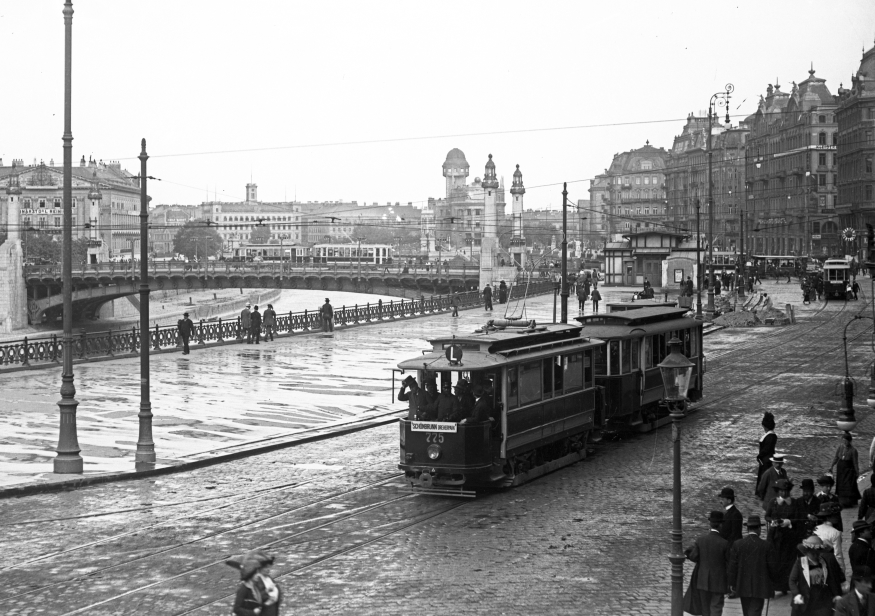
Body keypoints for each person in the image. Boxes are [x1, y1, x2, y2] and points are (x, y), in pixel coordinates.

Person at [728, 515, 778, 616]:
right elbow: (772, 567)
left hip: (743, 585)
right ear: (759, 529)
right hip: (760, 585)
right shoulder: (766, 545)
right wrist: (773, 582)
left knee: (746, 611)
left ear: (747, 529)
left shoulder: (738, 544)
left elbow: (733, 567)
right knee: (756, 610)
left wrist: (732, 584)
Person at [683, 510, 729, 616]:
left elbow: (694, 556)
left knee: (705, 610)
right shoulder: (724, 543)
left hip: (703, 580)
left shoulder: (701, 540)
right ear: (720, 525)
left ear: (710, 524)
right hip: (719, 581)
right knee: (716, 608)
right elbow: (729, 563)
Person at [765, 478, 803, 594]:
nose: (784, 493)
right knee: (775, 561)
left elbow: (798, 518)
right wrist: (772, 521)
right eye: (781, 491)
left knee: (789, 561)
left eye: (786, 491)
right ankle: (775, 585)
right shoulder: (773, 502)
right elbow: (767, 516)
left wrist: (789, 522)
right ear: (778, 491)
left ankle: (786, 586)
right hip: (775, 537)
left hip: (790, 537)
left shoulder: (795, 503)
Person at [788, 534, 844, 614]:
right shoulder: (800, 562)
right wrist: (796, 594)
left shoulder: (824, 562)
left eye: (818, 553)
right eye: (813, 553)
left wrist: (836, 594)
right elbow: (792, 580)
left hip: (822, 598)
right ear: (807, 552)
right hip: (806, 598)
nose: (816, 555)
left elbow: (830, 580)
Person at [227, 551, 283, 616]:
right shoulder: (252, 584)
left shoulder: (269, 579)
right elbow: (254, 603)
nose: (268, 569)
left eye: (269, 566)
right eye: (266, 567)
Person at [814, 501, 846, 575]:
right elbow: (838, 554)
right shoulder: (835, 533)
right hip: (829, 562)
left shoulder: (815, 528)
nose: (837, 517)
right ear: (829, 517)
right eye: (835, 515)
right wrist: (842, 570)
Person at [833, 432, 862, 508]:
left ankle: (848, 502)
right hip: (840, 470)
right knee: (841, 485)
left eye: (846, 441)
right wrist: (832, 466)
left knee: (849, 486)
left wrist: (857, 472)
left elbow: (855, 462)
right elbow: (836, 457)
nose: (844, 442)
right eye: (843, 440)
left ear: (850, 441)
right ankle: (841, 501)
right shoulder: (840, 447)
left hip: (849, 470)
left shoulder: (853, 450)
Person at [718, 487, 744, 552]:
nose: (720, 501)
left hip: (730, 549)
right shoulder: (727, 512)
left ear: (729, 501)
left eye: (723, 499)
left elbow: (736, 535)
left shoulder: (735, 514)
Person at [756, 412, 777, 490]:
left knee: (764, 477)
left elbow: (766, 449)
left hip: (766, 460)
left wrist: (759, 456)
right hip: (766, 459)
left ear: (766, 427)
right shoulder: (771, 435)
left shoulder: (770, 436)